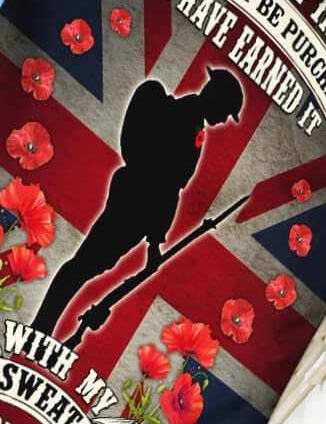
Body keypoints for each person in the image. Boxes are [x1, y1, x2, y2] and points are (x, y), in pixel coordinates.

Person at [31, 67, 244, 338]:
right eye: (226, 111)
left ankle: (42, 328)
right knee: (85, 265)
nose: (224, 119)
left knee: (88, 265)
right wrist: (155, 242)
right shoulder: (187, 121)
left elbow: (170, 185)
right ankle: (41, 329)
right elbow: (167, 184)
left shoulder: (192, 121)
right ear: (215, 97)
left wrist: (155, 239)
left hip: (137, 202)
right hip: (137, 204)